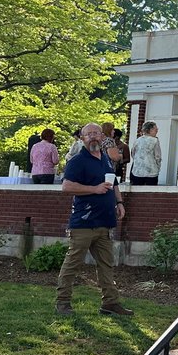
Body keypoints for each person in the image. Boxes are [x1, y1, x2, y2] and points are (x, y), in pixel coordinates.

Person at [56, 123, 132, 318]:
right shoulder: (77, 161)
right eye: (88, 134)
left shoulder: (106, 159)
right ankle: (63, 303)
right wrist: (94, 189)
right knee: (73, 263)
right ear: (82, 138)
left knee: (107, 265)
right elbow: (66, 187)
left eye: (96, 133)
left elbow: (113, 182)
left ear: (102, 137)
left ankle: (110, 303)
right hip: (83, 222)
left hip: (105, 221)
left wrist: (120, 202)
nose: (93, 137)